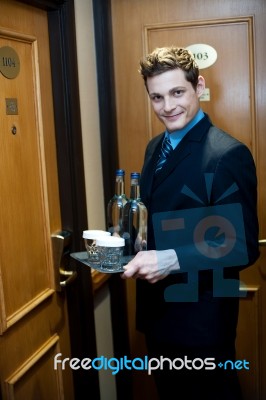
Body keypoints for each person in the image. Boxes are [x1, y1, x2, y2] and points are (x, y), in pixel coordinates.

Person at [121, 46, 260, 400]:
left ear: (198, 87)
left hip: (201, 325)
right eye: (157, 97)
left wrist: (172, 259)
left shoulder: (227, 153)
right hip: (157, 317)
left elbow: (242, 243)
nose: (167, 106)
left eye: (177, 92)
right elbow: (159, 214)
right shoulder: (155, 147)